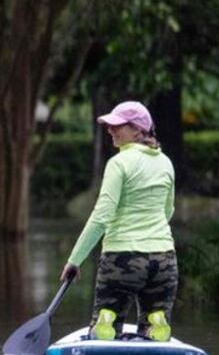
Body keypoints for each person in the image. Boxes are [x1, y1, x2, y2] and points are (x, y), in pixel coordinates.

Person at [59, 100, 177, 342]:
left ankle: (107, 321)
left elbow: (101, 216)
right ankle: (156, 321)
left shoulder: (119, 163)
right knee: (153, 323)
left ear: (137, 129)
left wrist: (75, 260)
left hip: (122, 259)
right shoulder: (166, 163)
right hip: (164, 260)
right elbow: (168, 211)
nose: (110, 130)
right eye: (110, 126)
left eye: (117, 126)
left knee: (106, 325)